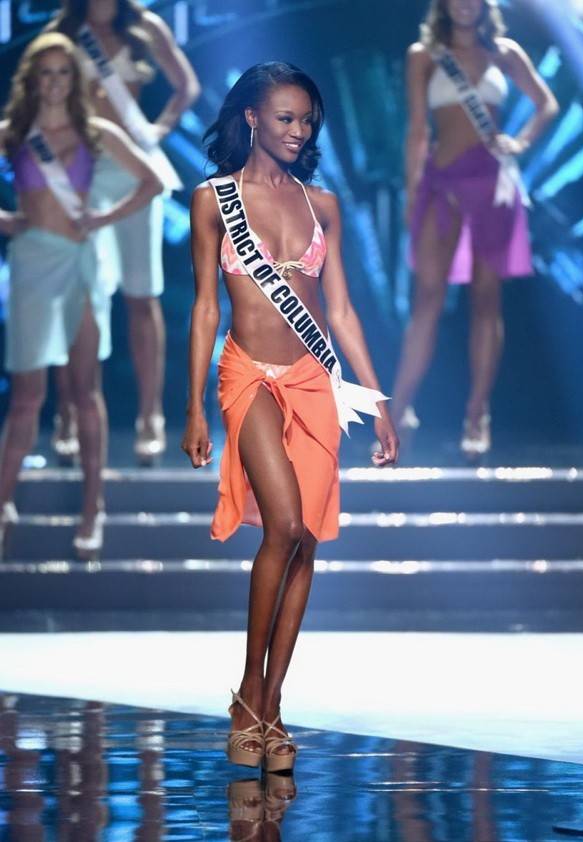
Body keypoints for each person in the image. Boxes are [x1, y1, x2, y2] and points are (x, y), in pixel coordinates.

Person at [181, 62, 398, 772]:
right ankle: (248, 692)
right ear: (251, 117)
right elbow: (205, 308)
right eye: (284, 118)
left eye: (306, 120)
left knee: (305, 541)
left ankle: (271, 705)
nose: (298, 130)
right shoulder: (213, 200)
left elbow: (342, 312)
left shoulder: (322, 205)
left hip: (313, 380)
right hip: (246, 374)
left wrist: (378, 401)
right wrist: (192, 407)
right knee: (284, 525)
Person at [0, 33, 161, 556]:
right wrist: (6, 220)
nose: (54, 82)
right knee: (28, 396)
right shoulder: (14, 133)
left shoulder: (96, 132)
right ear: (32, 79)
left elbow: (153, 182)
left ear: (75, 79)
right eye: (45, 73)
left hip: (81, 264)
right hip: (32, 263)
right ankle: (2, 503)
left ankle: (93, 508)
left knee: (86, 390)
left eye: (63, 72)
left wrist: (104, 217)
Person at [391, 0, 558, 457]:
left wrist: (520, 142)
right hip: (442, 183)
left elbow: (547, 103)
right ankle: (399, 408)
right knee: (427, 298)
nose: (464, 4)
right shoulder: (423, 55)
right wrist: (412, 193)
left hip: (492, 185)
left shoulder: (505, 52)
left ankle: (477, 413)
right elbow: (417, 131)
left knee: (486, 299)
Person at [49, 0, 201, 464]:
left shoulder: (144, 27)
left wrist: (159, 129)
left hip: (135, 171)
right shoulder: (65, 30)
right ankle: (70, 413)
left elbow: (187, 85)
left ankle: (150, 415)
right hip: (81, 172)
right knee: (79, 296)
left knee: (141, 295)